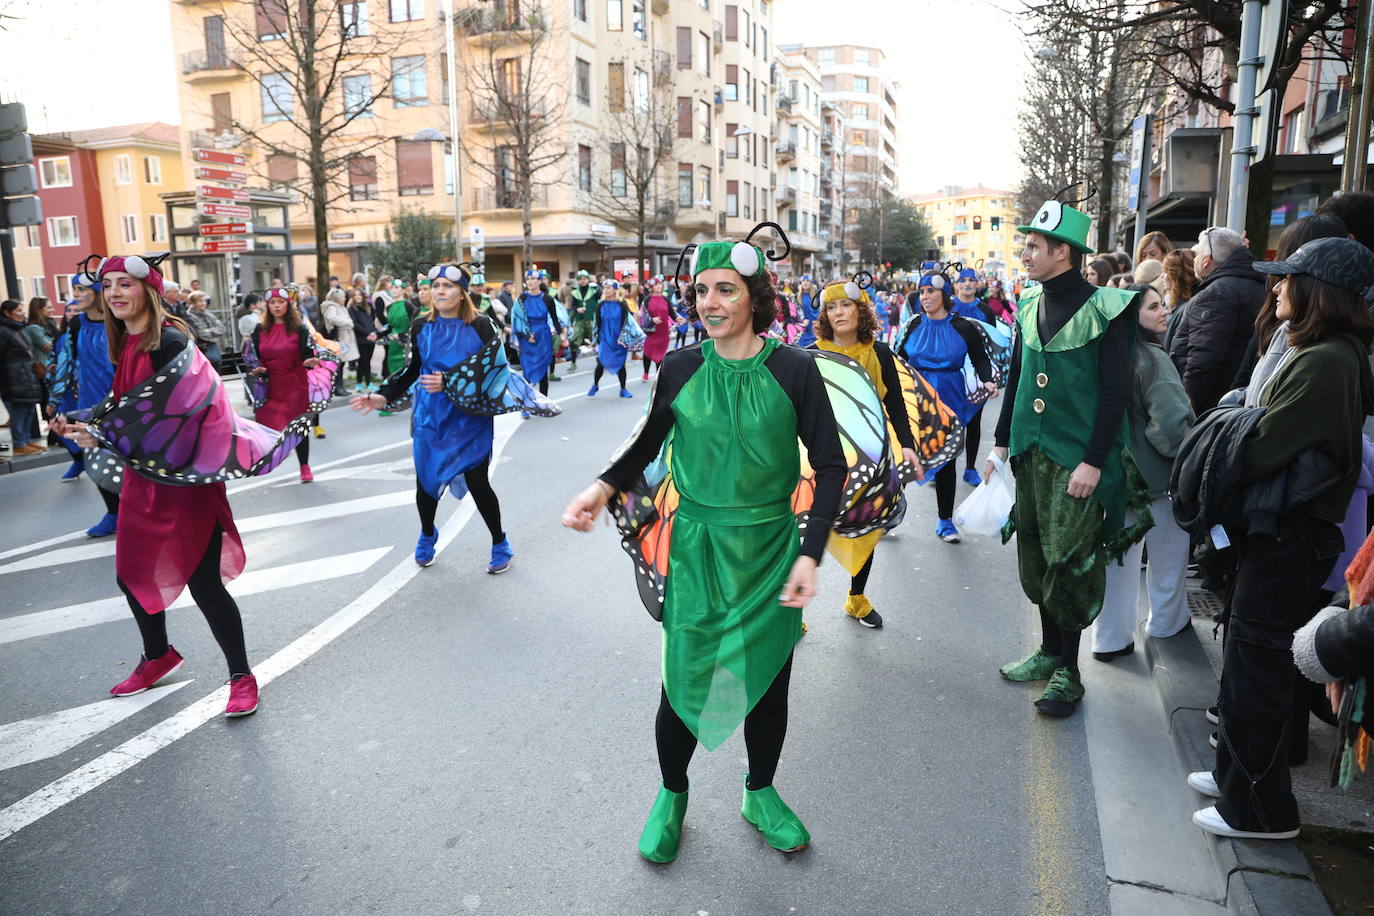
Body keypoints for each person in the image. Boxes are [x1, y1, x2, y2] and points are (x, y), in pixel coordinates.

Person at [562, 226, 845, 863]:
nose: (710, 302)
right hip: (697, 550)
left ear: (755, 297)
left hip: (772, 550)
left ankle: (760, 792)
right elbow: (646, 446)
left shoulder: (795, 369)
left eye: (725, 290)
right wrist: (600, 489)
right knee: (683, 679)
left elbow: (830, 466)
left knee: (768, 682)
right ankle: (671, 794)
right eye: (701, 291)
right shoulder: (682, 366)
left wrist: (810, 552)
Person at [53, 254, 311, 719]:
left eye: (124, 284)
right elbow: (127, 405)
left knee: (204, 583)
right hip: (145, 480)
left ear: (146, 290)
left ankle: (241, 676)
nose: (114, 293)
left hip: (187, 481)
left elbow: (188, 415)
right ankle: (158, 656)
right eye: (107, 285)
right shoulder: (128, 343)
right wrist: (83, 421)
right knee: (131, 573)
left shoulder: (170, 342)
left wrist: (106, 431)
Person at [1187, 237, 1374, 841]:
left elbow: (1259, 443)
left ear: (1318, 291)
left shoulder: (1329, 361)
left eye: (1288, 279)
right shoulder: (1320, 351)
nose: (1275, 289)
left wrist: (1231, 416)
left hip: (1291, 535)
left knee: (1260, 671)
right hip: (1279, 532)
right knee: (1245, 662)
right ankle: (1235, 779)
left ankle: (1262, 812)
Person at [987, 198, 1148, 718]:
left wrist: (1094, 461)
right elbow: (1015, 377)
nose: (1026, 252)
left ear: (1063, 251)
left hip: (1076, 460)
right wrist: (1000, 440)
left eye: (1034, 246)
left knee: (1070, 561)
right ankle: (1049, 650)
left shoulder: (1108, 309)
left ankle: (1069, 673)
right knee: (1034, 551)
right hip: (1031, 454)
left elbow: (1115, 391)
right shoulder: (1029, 303)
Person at [352, 263, 558, 571]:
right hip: (431, 418)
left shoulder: (481, 325)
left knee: (478, 482)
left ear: (462, 293)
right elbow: (412, 370)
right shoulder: (421, 326)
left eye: (447, 287)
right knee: (427, 481)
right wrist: (383, 395)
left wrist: (449, 381)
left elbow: (495, 371)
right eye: (435, 287)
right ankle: (426, 533)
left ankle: (500, 541)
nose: (439, 292)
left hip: (469, 417)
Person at [812, 275, 926, 628]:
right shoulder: (811, 354)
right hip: (821, 454)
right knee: (805, 528)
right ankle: (792, 612)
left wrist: (907, 446)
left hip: (870, 453)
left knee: (866, 526)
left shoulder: (878, 352)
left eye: (845, 304)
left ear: (860, 310)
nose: (838, 312)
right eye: (831, 307)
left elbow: (894, 402)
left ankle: (856, 598)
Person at [1092, 283, 1194, 660]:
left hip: (1112, 477)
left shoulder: (1102, 356)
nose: (1164, 311)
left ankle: (1109, 639)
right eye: (1153, 307)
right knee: (1169, 554)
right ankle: (1165, 623)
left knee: (1118, 560)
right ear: (1132, 317)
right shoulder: (1153, 359)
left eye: (1162, 304)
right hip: (1157, 480)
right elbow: (1168, 427)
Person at [895, 269, 996, 542]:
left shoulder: (963, 326)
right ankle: (888, 515)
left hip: (950, 398)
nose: (925, 296)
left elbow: (981, 359)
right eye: (922, 291)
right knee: (905, 456)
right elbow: (897, 361)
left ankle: (945, 521)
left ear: (945, 294)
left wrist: (987, 381)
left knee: (946, 458)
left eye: (931, 291)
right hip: (915, 399)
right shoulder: (913, 325)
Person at [47, 262, 121, 528]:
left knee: (130, 458)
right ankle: (113, 512)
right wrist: (55, 401)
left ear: (99, 291)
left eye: (81, 289)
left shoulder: (119, 320)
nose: (76, 294)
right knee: (95, 459)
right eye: (74, 289)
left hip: (120, 401)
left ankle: (141, 510)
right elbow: (67, 361)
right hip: (88, 403)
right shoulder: (77, 324)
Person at [1169, 227, 1266, 413]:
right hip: (1235, 401)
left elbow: (1202, 361)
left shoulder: (1215, 294)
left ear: (1206, 261)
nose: (1193, 259)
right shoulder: (1257, 285)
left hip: (1212, 406)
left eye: (1196, 254)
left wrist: (1186, 411)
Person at [241, 288, 328, 483]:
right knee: (268, 424)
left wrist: (310, 361)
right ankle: (279, 452)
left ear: (288, 305)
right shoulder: (259, 330)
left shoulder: (300, 328)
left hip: (295, 384)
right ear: (268, 306)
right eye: (273, 303)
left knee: (299, 426)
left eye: (281, 302)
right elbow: (255, 358)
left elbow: (307, 353)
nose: (277, 306)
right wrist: (257, 369)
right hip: (270, 386)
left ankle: (304, 466)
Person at [950, 267, 999, 486]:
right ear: (956, 284)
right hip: (953, 371)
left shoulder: (986, 310)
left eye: (972, 280)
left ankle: (970, 468)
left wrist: (990, 375)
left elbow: (992, 342)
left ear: (977, 284)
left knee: (974, 422)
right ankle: (943, 467)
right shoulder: (948, 306)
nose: (967, 284)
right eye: (963, 280)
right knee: (948, 421)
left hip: (977, 371)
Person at [1, 298, 43, 455]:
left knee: (29, 409)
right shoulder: (3, 331)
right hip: (13, 379)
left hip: (26, 375)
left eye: (21, 310)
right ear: (7, 313)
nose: (21, 313)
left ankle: (25, 440)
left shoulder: (20, 328)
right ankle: (19, 443)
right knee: (19, 411)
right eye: (18, 310)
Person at [511, 269, 562, 396]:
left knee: (543, 369)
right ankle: (526, 402)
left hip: (543, 337)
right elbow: (517, 320)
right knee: (527, 370)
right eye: (528, 279)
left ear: (540, 281)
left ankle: (544, 401)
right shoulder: (522, 298)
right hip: (526, 338)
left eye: (533, 279)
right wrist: (526, 335)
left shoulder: (548, 299)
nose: (530, 282)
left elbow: (555, 319)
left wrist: (562, 335)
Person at [589, 279, 632, 398]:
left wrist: (623, 337)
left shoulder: (622, 305)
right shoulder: (600, 305)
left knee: (621, 364)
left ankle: (623, 389)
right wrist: (596, 341)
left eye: (608, 288)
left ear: (615, 290)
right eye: (605, 288)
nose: (606, 290)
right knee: (601, 363)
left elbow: (627, 322)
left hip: (619, 340)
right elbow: (596, 324)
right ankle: (595, 384)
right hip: (604, 340)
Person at [565, 269, 599, 371]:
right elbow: (572, 306)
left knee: (595, 340)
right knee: (573, 340)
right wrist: (577, 309)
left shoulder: (594, 290)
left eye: (585, 278)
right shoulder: (574, 291)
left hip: (591, 319)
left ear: (588, 279)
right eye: (581, 279)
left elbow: (600, 297)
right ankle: (573, 362)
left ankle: (600, 361)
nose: (583, 281)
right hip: (579, 319)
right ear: (578, 281)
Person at [640, 278, 673, 381]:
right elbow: (642, 315)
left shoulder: (665, 299)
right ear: (651, 287)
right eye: (656, 285)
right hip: (651, 332)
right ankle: (646, 373)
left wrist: (678, 318)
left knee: (660, 353)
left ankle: (658, 375)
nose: (659, 286)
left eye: (660, 284)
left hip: (663, 333)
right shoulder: (647, 300)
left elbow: (672, 313)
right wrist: (652, 319)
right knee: (647, 352)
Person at [184, 291, 226, 370]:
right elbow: (201, 334)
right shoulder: (190, 316)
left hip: (212, 347)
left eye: (204, 301)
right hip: (200, 348)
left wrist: (210, 330)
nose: (203, 303)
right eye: (200, 301)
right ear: (193, 302)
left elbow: (222, 329)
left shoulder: (208, 314)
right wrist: (214, 332)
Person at [348, 287, 379, 391]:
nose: (357, 296)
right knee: (362, 361)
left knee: (368, 361)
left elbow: (372, 320)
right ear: (353, 297)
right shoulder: (351, 308)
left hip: (371, 338)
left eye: (359, 294)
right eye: (355, 295)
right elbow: (355, 324)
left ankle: (366, 383)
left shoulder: (369, 307)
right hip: (360, 339)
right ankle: (361, 383)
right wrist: (367, 334)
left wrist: (374, 333)